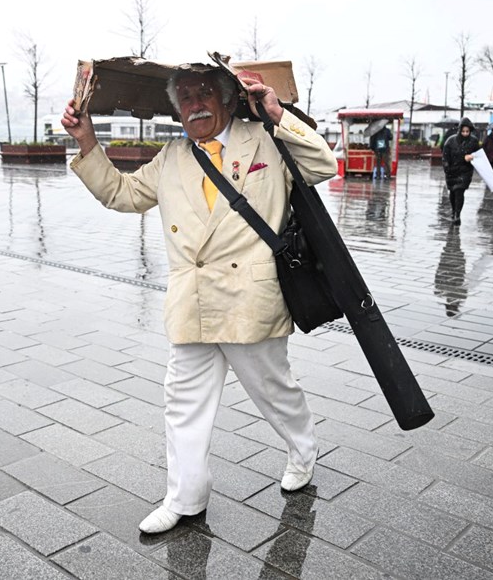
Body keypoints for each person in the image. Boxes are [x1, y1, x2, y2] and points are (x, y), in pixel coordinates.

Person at [61, 69, 337, 534]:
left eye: (204, 93)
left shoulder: (263, 140)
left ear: (227, 98)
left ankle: (302, 448)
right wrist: (88, 141)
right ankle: (184, 497)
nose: (195, 104)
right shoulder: (172, 156)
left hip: (251, 299)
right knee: (182, 402)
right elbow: (121, 194)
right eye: (185, 97)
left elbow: (323, 166)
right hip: (192, 302)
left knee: (273, 391)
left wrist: (276, 113)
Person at [441, 117, 480, 225]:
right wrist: (447, 168)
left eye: (467, 131)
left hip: (465, 171)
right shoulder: (450, 141)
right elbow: (445, 156)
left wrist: (472, 156)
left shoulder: (474, 141)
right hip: (452, 170)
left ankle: (458, 214)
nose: (465, 133)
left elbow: (479, 155)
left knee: (459, 191)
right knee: (453, 192)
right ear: (459, 130)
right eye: (463, 131)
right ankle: (453, 211)